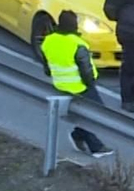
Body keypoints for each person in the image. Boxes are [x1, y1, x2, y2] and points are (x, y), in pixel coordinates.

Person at [40, 10, 114, 159]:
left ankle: (78, 135)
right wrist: (91, 83)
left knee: (86, 115)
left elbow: (47, 67)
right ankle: (96, 147)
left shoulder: (48, 40)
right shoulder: (78, 44)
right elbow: (86, 70)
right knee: (95, 114)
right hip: (80, 86)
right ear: (75, 26)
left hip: (60, 84)